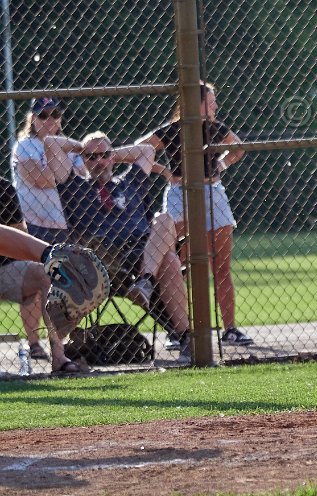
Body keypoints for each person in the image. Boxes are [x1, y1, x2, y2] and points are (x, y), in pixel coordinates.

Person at [43, 132, 193, 362]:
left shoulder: (130, 182)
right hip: (105, 257)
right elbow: (51, 143)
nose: (99, 161)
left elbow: (147, 151)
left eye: (104, 156)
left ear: (112, 157)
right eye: (92, 157)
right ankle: (185, 337)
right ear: (84, 160)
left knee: (163, 220)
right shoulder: (74, 186)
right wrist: (83, 148)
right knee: (170, 260)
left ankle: (146, 283)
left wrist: (109, 153)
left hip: (143, 251)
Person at [136, 82, 251, 345]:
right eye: (210, 102)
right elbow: (140, 149)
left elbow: (238, 147)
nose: (215, 106)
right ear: (195, 104)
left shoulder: (214, 127)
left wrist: (222, 163)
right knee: (178, 265)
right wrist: (164, 171)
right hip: (181, 192)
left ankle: (230, 329)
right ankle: (180, 330)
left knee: (221, 266)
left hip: (213, 191)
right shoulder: (172, 129)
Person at [0, 175, 79, 373]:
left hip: (4, 269)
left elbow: (18, 233)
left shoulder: (3, 187)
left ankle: (59, 357)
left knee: (46, 274)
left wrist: (50, 256)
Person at [11, 97, 83, 244]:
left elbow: (84, 178)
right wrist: (68, 175)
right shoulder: (25, 145)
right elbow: (40, 180)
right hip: (36, 225)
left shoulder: (67, 145)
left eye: (55, 114)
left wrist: (63, 175)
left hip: (70, 224)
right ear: (33, 119)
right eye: (43, 115)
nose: (50, 120)